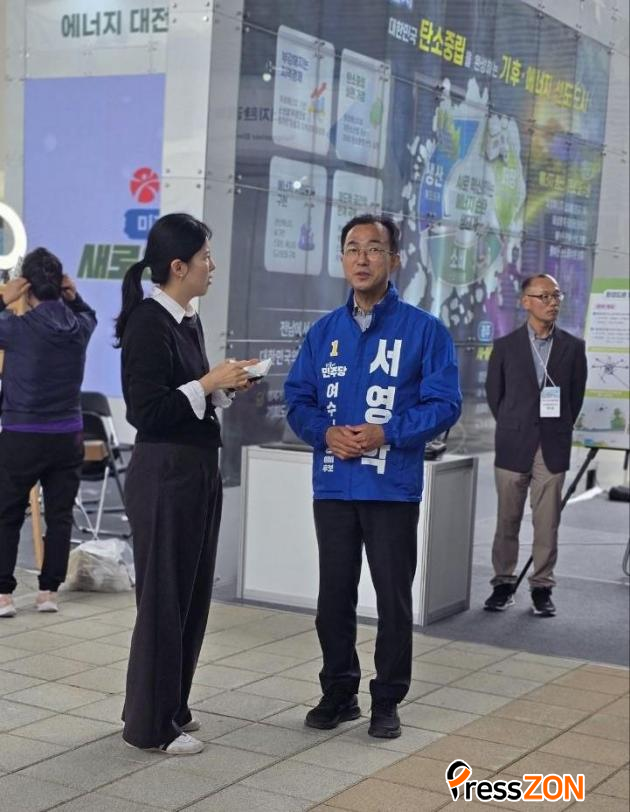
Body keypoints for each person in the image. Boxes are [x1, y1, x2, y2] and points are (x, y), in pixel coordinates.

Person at [284, 214, 461, 739]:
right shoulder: (323, 332)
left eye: (374, 249)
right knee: (333, 599)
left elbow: (444, 404)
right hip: (334, 486)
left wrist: (389, 432)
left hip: (391, 486)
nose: (362, 258)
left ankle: (387, 700)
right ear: (342, 259)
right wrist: (324, 433)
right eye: (352, 248)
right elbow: (297, 400)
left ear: (394, 259)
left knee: (392, 600)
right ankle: (339, 693)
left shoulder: (424, 330)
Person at [115, 213, 256, 756]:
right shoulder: (148, 322)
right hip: (165, 472)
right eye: (205, 258)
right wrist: (206, 382)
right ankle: (150, 727)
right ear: (178, 266)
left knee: (191, 595)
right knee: (163, 598)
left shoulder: (187, 319)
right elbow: (146, 411)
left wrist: (221, 387)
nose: (211, 266)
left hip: (195, 466)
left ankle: (167, 706)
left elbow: (185, 396)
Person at [0, 248, 97, 617]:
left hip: (21, 434)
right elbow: (90, 315)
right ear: (60, 285)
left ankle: (3, 595)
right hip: (68, 436)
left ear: (26, 286)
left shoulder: (16, 328)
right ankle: (48, 593)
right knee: (60, 515)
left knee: (7, 513)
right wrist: (76, 298)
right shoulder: (79, 328)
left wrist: (3, 298)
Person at [484, 273, 587, 617]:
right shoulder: (505, 346)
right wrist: (515, 424)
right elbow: (495, 396)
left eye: (556, 296)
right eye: (544, 296)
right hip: (512, 443)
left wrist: (554, 427)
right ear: (525, 301)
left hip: (552, 445)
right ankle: (502, 584)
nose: (552, 302)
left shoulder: (573, 347)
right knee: (507, 519)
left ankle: (542, 587)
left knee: (547, 522)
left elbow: (574, 397)